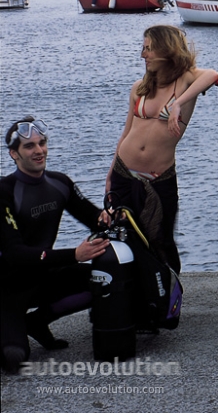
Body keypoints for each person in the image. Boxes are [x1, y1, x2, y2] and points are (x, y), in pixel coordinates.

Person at [105, 25, 218, 274]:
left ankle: (167, 302)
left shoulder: (186, 81)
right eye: (143, 48)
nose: (143, 55)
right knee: (123, 237)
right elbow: (126, 133)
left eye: (148, 49)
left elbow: (212, 74)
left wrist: (178, 103)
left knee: (161, 240)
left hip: (159, 178)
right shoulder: (140, 87)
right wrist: (111, 173)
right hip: (125, 173)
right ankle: (132, 297)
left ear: (166, 50)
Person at [1, 117, 110, 373]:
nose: (39, 151)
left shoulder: (59, 183)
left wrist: (108, 217)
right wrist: (74, 255)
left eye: (42, 143)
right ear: (14, 154)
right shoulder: (4, 192)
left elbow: (92, 217)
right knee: (15, 359)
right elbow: (15, 254)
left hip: (42, 276)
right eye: (29, 146)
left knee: (103, 280)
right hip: (8, 289)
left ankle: (36, 323)